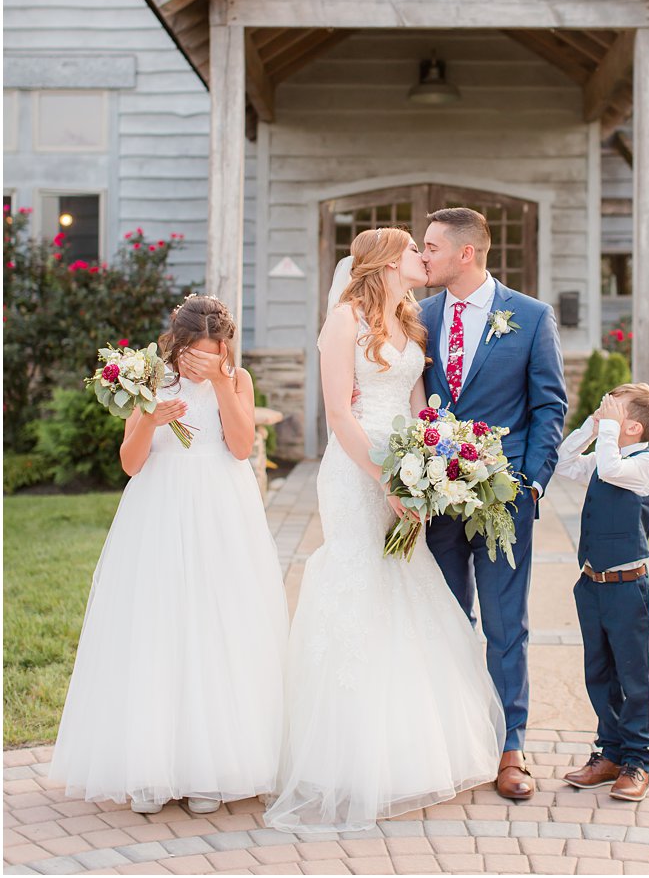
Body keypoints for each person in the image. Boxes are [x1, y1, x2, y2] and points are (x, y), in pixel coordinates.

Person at [265, 228, 505, 832]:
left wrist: (433, 465)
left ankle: (410, 749)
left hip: (406, 463)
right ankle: (345, 755)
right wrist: (385, 480)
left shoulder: (412, 321)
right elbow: (339, 414)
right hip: (356, 470)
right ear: (384, 261)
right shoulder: (345, 321)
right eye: (412, 251)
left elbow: (422, 404)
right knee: (359, 579)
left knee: (402, 583)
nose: (423, 258)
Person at [51, 296, 287, 817]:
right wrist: (151, 420)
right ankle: (152, 767)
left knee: (213, 625)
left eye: (210, 355)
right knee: (157, 626)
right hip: (158, 509)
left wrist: (222, 384)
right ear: (175, 345)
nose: (198, 364)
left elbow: (243, 447)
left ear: (223, 347)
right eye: (191, 356)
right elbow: (131, 465)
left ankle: (210, 767)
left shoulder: (237, 378)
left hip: (220, 510)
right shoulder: (149, 377)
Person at [419, 206, 568, 801]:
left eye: (431, 247)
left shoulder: (530, 318)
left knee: (507, 626)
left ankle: (512, 747)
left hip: (504, 497)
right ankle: (455, 743)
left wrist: (532, 482)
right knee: (446, 620)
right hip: (433, 497)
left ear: (466, 253)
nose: (421, 256)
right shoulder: (418, 316)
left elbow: (549, 405)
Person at [555, 383, 649, 802]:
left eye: (613, 410)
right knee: (599, 673)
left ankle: (638, 759)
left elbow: (609, 469)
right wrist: (591, 425)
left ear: (634, 428)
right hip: (592, 584)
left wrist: (605, 434)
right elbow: (564, 462)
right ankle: (610, 752)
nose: (604, 412)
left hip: (626, 588)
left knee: (632, 676)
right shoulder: (607, 453)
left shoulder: (644, 464)